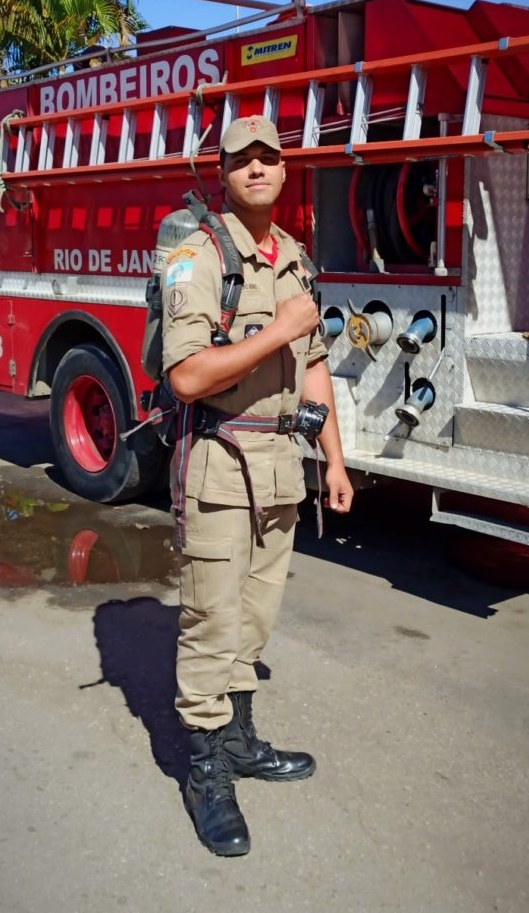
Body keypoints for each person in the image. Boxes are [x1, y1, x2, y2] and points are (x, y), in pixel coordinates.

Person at [161, 115, 354, 857]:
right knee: (210, 623)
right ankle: (205, 772)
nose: (257, 168)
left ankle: (238, 740)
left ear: (284, 167)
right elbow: (186, 377)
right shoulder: (198, 255)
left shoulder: (293, 256)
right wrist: (277, 328)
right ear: (224, 172)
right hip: (220, 465)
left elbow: (312, 367)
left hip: (281, 467)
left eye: (269, 156)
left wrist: (333, 460)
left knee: (255, 615)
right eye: (243, 159)